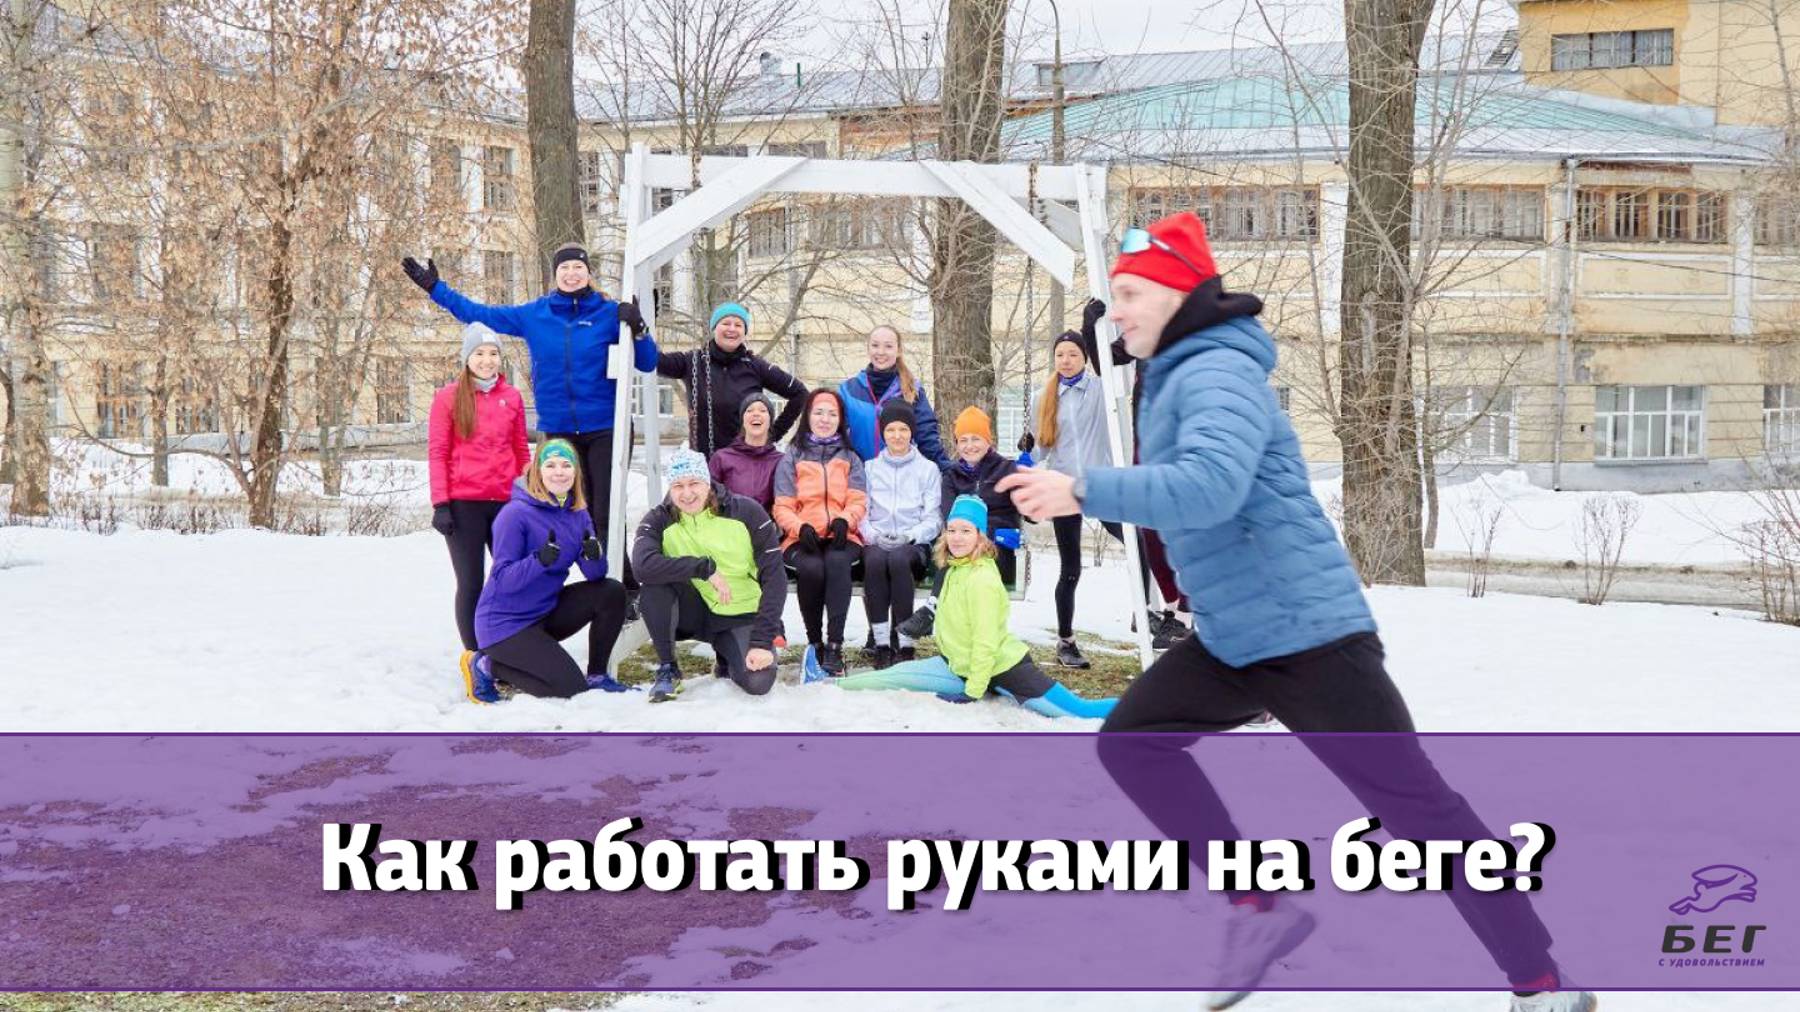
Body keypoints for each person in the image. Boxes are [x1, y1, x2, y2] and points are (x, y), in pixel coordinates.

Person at [996, 212, 1590, 1012]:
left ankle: (1541, 984)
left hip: (1308, 635)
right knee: (1134, 744)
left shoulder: (1215, 371)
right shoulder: (1171, 373)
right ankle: (1257, 908)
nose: (1119, 311)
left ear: (1177, 295)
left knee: (1417, 812)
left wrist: (1082, 488)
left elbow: (1210, 486)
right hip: (1237, 636)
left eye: (1132, 294)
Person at [403, 244, 659, 559]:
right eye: (564, 268)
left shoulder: (609, 314)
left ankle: (619, 577)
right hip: (559, 430)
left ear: (588, 272)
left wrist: (639, 328)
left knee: (606, 509)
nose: (571, 274)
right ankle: (585, 576)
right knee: (568, 510)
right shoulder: (535, 315)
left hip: (606, 426)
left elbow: (647, 362)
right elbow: (478, 314)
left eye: (578, 267)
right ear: (555, 275)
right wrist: (436, 289)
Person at [838, 496, 1114, 719]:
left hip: (1005, 669)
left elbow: (985, 641)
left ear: (980, 536)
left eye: (966, 531)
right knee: (894, 677)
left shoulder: (982, 579)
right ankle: (831, 684)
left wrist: (973, 691)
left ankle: (1138, 707)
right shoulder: (954, 568)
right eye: (952, 530)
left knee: (1080, 712)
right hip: (959, 667)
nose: (957, 538)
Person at [462, 439, 630, 704]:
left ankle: (597, 675)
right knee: (569, 690)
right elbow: (503, 580)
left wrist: (594, 555)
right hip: (505, 625)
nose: (559, 472)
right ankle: (485, 665)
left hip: (545, 612)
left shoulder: (578, 512)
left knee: (611, 591)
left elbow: (595, 576)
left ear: (576, 472)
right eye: (550, 465)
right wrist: (538, 561)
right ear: (537, 470)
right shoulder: (514, 514)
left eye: (566, 465)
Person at [631, 449, 787, 704]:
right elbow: (642, 566)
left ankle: (728, 653)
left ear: (708, 482)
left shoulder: (746, 511)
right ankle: (668, 667)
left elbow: (775, 577)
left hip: (740, 611)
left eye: (694, 483)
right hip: (693, 611)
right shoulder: (659, 519)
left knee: (758, 682)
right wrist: (703, 569)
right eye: (678, 486)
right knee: (654, 585)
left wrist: (762, 640)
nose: (687, 493)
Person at [1021, 328, 1125, 671]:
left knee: (1136, 541)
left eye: (1073, 354)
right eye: (1060, 355)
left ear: (1084, 358)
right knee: (1070, 568)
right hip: (1065, 487)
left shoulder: (1099, 389)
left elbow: (1114, 373)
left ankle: (1148, 613)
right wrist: (1028, 448)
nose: (1066, 361)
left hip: (1099, 483)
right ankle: (1066, 642)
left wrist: (1092, 325)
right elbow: (1040, 450)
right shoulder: (1043, 396)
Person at [429, 322, 529, 656]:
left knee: (511, 580)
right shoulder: (447, 398)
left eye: (493, 353)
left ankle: (510, 647)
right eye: (479, 353)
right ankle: (475, 658)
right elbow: (438, 452)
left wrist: (528, 495)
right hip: (463, 506)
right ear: (467, 358)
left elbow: (520, 451)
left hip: (505, 504)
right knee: (471, 583)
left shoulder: (511, 397)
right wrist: (441, 504)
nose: (487, 360)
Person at [895, 406, 1021, 639]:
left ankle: (932, 609)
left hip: (996, 549)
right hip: (961, 544)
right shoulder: (952, 476)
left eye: (976, 438)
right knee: (957, 545)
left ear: (988, 440)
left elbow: (1027, 511)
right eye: (963, 440)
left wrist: (1027, 486)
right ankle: (946, 624)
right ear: (956, 444)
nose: (969, 445)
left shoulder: (1007, 470)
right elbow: (950, 515)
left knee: (963, 555)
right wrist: (965, 532)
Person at [771, 388, 867, 679]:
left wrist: (845, 520)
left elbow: (858, 500)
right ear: (808, 417)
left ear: (840, 420)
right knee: (812, 568)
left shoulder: (851, 457)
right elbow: (782, 505)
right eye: (819, 412)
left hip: (842, 536)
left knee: (837, 563)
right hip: (802, 537)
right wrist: (799, 527)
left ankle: (835, 646)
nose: (825, 419)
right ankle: (815, 643)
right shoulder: (792, 456)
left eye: (832, 414)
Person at [657, 301, 808, 457]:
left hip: (746, 461)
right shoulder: (692, 362)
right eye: (726, 323)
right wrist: (645, 328)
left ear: (744, 331)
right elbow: (653, 361)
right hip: (706, 462)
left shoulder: (756, 366)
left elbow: (800, 393)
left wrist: (771, 436)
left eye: (738, 325)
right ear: (714, 327)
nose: (732, 329)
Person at [857, 399, 943, 668]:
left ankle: (905, 644)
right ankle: (882, 643)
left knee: (897, 559)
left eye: (903, 429)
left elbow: (933, 518)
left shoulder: (927, 469)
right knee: (874, 560)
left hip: (913, 545)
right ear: (883, 433)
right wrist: (873, 536)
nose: (897, 436)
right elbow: (861, 513)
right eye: (891, 430)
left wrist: (911, 536)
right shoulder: (869, 468)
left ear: (912, 432)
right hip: (877, 540)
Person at [837, 324, 950, 468]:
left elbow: (927, 437)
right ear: (868, 349)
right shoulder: (848, 391)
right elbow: (836, 438)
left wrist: (947, 469)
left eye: (888, 346)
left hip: (902, 475)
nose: (881, 352)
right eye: (875, 345)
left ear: (898, 351)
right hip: (859, 474)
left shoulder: (912, 390)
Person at [708, 392, 784, 513]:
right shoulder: (722, 458)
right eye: (749, 411)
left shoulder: (781, 461)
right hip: (731, 522)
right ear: (743, 420)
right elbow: (709, 497)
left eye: (763, 410)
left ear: (770, 421)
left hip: (767, 523)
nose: (756, 414)